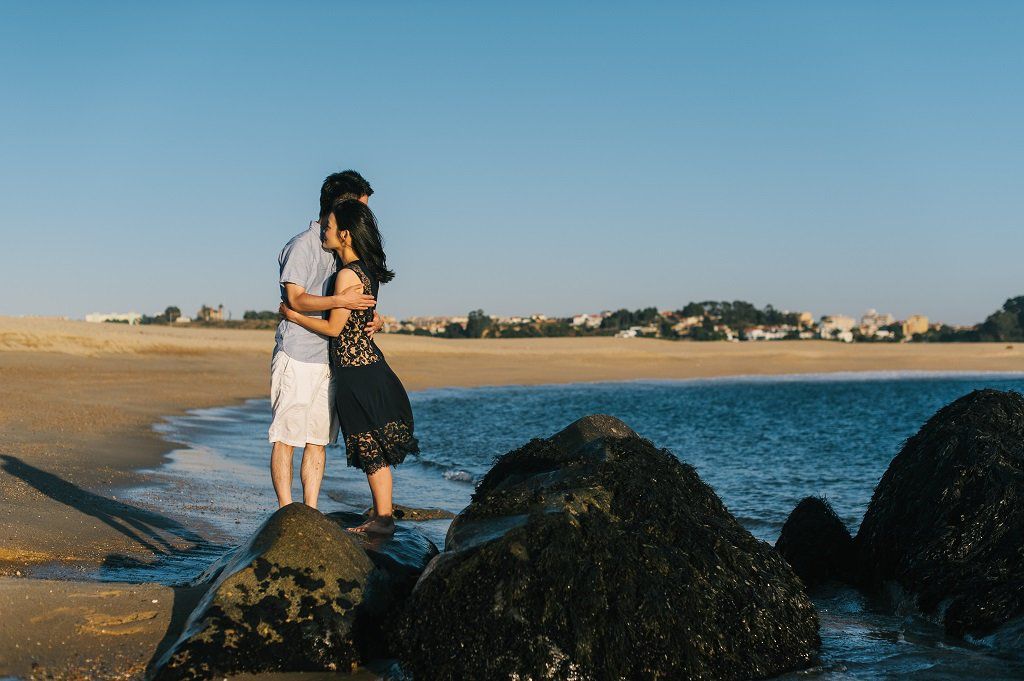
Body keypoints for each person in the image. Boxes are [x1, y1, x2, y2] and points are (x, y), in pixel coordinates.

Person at [280, 199, 418, 535]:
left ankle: (383, 520)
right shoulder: (366, 271)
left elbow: (333, 328)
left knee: (371, 447)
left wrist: (294, 315)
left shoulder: (345, 275)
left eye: (328, 227)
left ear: (344, 234)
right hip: (367, 367)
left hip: (356, 373)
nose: (323, 232)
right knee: (374, 449)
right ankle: (382, 517)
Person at [270, 170, 384, 510]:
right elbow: (296, 300)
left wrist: (372, 319)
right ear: (340, 204)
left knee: (317, 440)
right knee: (286, 437)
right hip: (297, 354)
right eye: (360, 207)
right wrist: (340, 302)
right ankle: (285, 511)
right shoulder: (302, 246)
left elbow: (355, 301)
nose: (366, 217)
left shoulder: (343, 248)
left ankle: (310, 509)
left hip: (330, 360)